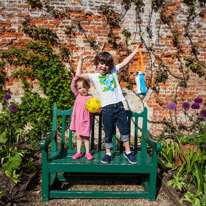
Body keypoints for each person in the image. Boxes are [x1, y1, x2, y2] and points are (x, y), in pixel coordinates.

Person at [76, 45, 141, 164]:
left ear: (109, 66)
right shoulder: (94, 76)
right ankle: (108, 153)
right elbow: (79, 75)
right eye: (101, 63)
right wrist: (81, 59)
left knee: (124, 130)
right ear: (97, 64)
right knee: (109, 132)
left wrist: (135, 51)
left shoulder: (113, 71)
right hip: (106, 109)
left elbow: (126, 62)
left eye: (106, 64)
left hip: (119, 106)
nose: (103, 66)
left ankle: (128, 152)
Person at [70, 49, 94, 161]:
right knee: (79, 137)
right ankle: (79, 152)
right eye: (79, 88)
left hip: (86, 120)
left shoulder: (90, 98)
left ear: (88, 87)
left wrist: (98, 110)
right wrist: (80, 60)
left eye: (84, 87)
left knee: (86, 137)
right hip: (77, 120)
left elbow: (94, 108)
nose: (82, 89)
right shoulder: (77, 95)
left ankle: (88, 153)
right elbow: (73, 84)